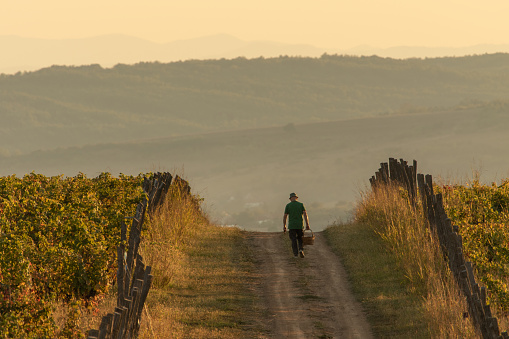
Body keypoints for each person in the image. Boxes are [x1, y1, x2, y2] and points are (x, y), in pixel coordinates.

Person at [283, 192, 310, 258]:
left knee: (293, 240)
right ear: (296, 198)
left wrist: (284, 226)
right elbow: (305, 215)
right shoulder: (301, 205)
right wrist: (307, 224)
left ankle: (295, 254)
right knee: (300, 238)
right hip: (300, 225)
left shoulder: (288, 206)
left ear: (290, 199)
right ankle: (301, 249)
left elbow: (285, 216)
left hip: (292, 226)